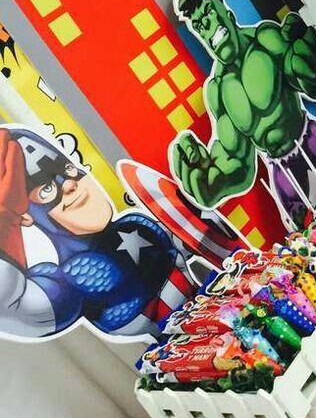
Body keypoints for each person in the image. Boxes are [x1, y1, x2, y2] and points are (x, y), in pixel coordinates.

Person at [171, 0, 316, 229]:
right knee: (307, 234)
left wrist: (309, 58)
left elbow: (315, 85)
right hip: (280, 165)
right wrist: (212, 181)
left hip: (310, 136)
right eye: (198, 25)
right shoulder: (218, 91)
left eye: (208, 13)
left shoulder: (266, 39)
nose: (206, 27)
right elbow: (236, 161)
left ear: (226, 11)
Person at [0, 128, 190, 340]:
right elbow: (10, 304)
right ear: (24, 216)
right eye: (46, 189)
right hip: (178, 355)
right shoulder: (67, 282)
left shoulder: (139, 224)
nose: (70, 185)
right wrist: (4, 222)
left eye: (67, 170)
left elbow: (203, 237)